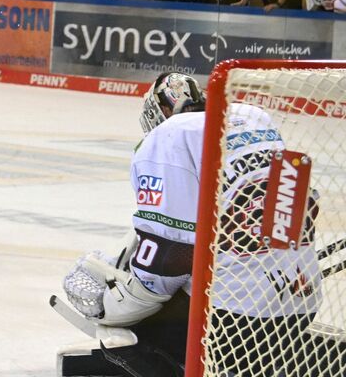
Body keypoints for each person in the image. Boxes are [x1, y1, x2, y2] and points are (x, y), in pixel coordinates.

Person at [60, 73, 321, 376]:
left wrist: (120, 303)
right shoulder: (254, 118)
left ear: (162, 111)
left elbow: (169, 255)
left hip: (230, 315)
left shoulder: (170, 135)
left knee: (126, 338)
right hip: (302, 296)